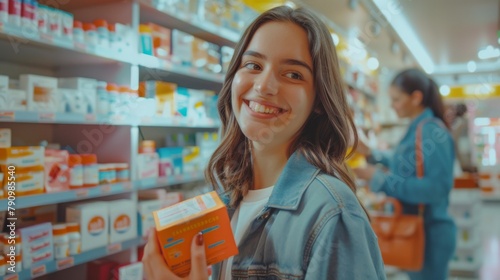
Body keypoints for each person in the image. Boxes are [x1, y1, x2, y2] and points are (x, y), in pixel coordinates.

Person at [142, 5, 386, 280]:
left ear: (319, 100)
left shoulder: (332, 215)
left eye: (293, 74)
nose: (264, 85)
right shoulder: (226, 198)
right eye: (253, 65)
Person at [353, 69, 457, 280]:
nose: (392, 105)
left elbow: (435, 189)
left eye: (396, 99)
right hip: (419, 230)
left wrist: (379, 179)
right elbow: (407, 165)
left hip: (429, 235)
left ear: (416, 97)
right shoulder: (418, 127)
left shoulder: (431, 131)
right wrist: (372, 154)